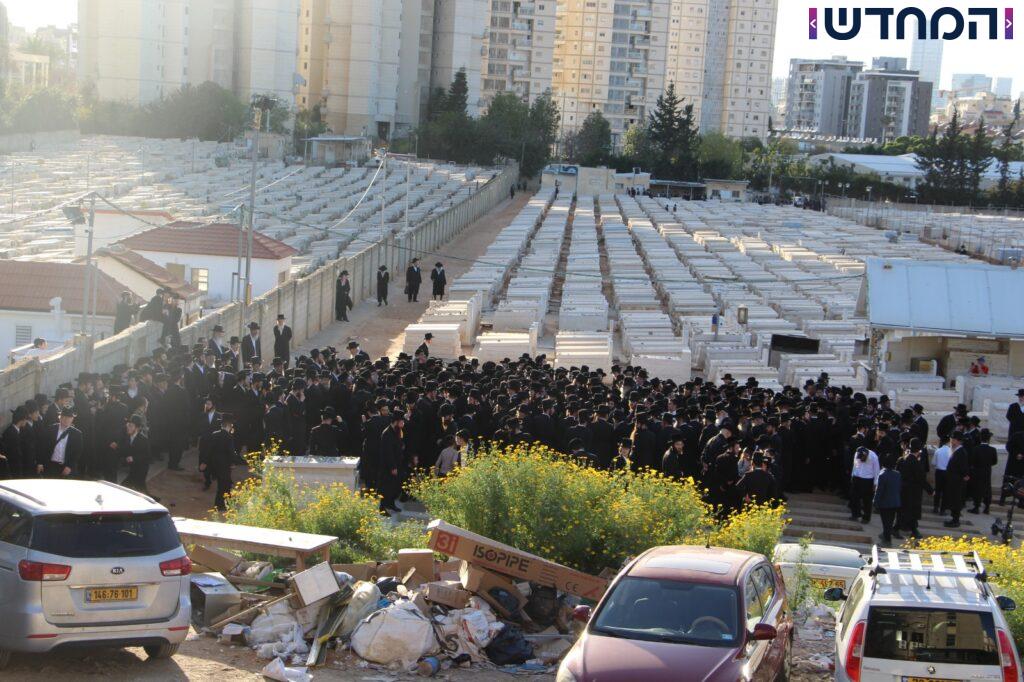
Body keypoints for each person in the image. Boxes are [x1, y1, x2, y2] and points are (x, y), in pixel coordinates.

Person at [203, 414, 237, 512]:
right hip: (225, 465)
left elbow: (209, 450)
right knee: (225, 485)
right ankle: (221, 505)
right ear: (228, 425)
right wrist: (233, 462)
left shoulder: (215, 434)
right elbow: (231, 452)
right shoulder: (229, 437)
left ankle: (224, 503)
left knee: (223, 484)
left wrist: (205, 462)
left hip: (215, 464)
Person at [37, 407, 82, 478]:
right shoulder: (51, 429)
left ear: (72, 419)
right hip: (50, 466)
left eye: (69, 417)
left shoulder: (77, 434)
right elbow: (43, 447)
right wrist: (40, 463)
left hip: (66, 467)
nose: (66, 420)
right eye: (64, 417)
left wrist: (69, 466)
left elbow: (77, 452)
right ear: (60, 417)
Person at [379, 412, 405, 513]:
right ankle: (383, 508)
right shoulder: (387, 433)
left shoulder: (397, 431)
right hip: (388, 466)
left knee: (394, 487)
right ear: (396, 422)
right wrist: (393, 467)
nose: (403, 423)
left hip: (397, 463)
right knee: (386, 487)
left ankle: (391, 504)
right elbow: (388, 452)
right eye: (401, 421)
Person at [944, 431, 971, 528]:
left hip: (957, 481)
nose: (951, 441)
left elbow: (963, 468)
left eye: (952, 439)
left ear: (957, 441)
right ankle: (954, 518)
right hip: (954, 480)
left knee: (956, 500)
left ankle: (955, 520)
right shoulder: (956, 451)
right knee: (953, 500)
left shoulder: (961, 452)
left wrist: (965, 475)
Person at [968, 428, 998, 514]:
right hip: (987, 471)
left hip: (977, 471)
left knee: (977, 489)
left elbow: (972, 461)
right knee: (987, 489)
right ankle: (987, 507)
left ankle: (976, 507)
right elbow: (994, 461)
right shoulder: (992, 450)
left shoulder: (976, 449)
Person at [120, 414, 152, 493]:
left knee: (126, 488)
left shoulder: (143, 440)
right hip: (133, 468)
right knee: (140, 489)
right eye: (128, 425)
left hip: (142, 469)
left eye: (131, 426)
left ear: (137, 428)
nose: (128, 428)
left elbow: (147, 456)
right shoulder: (127, 436)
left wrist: (133, 458)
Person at [874, 457, 902, 544]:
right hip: (895, 502)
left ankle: (887, 539)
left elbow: (879, 490)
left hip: (885, 502)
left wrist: (875, 501)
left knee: (885, 521)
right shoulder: (898, 474)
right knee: (890, 520)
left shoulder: (882, 475)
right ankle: (886, 536)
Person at [848, 446, 879, 523]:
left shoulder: (873, 456)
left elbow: (876, 470)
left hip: (867, 480)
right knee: (854, 497)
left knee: (867, 500)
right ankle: (855, 514)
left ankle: (866, 518)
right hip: (857, 478)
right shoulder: (857, 454)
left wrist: (875, 483)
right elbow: (855, 465)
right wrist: (853, 475)